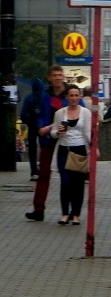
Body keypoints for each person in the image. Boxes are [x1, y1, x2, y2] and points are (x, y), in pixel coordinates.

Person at [26, 65, 80, 222]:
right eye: (54, 75)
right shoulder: (43, 96)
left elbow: (80, 114)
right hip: (47, 139)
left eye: (60, 75)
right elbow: (33, 114)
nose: (57, 78)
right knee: (43, 174)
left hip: (68, 140)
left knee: (69, 176)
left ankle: (70, 211)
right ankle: (39, 209)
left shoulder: (70, 95)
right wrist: (38, 129)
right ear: (49, 78)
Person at [50, 85, 94, 225]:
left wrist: (93, 148)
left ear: (80, 96)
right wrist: (58, 132)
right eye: (71, 95)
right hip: (64, 149)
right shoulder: (60, 113)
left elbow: (88, 132)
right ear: (67, 97)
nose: (74, 98)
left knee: (78, 184)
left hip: (79, 150)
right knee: (65, 182)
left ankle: (75, 214)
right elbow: (53, 132)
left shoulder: (85, 112)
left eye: (76, 95)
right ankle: (64, 213)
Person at [19, 78, 45, 181]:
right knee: (44, 148)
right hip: (43, 127)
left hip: (32, 126)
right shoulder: (45, 97)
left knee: (32, 150)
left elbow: (23, 114)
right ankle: (43, 168)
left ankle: (34, 172)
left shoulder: (29, 98)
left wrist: (29, 122)